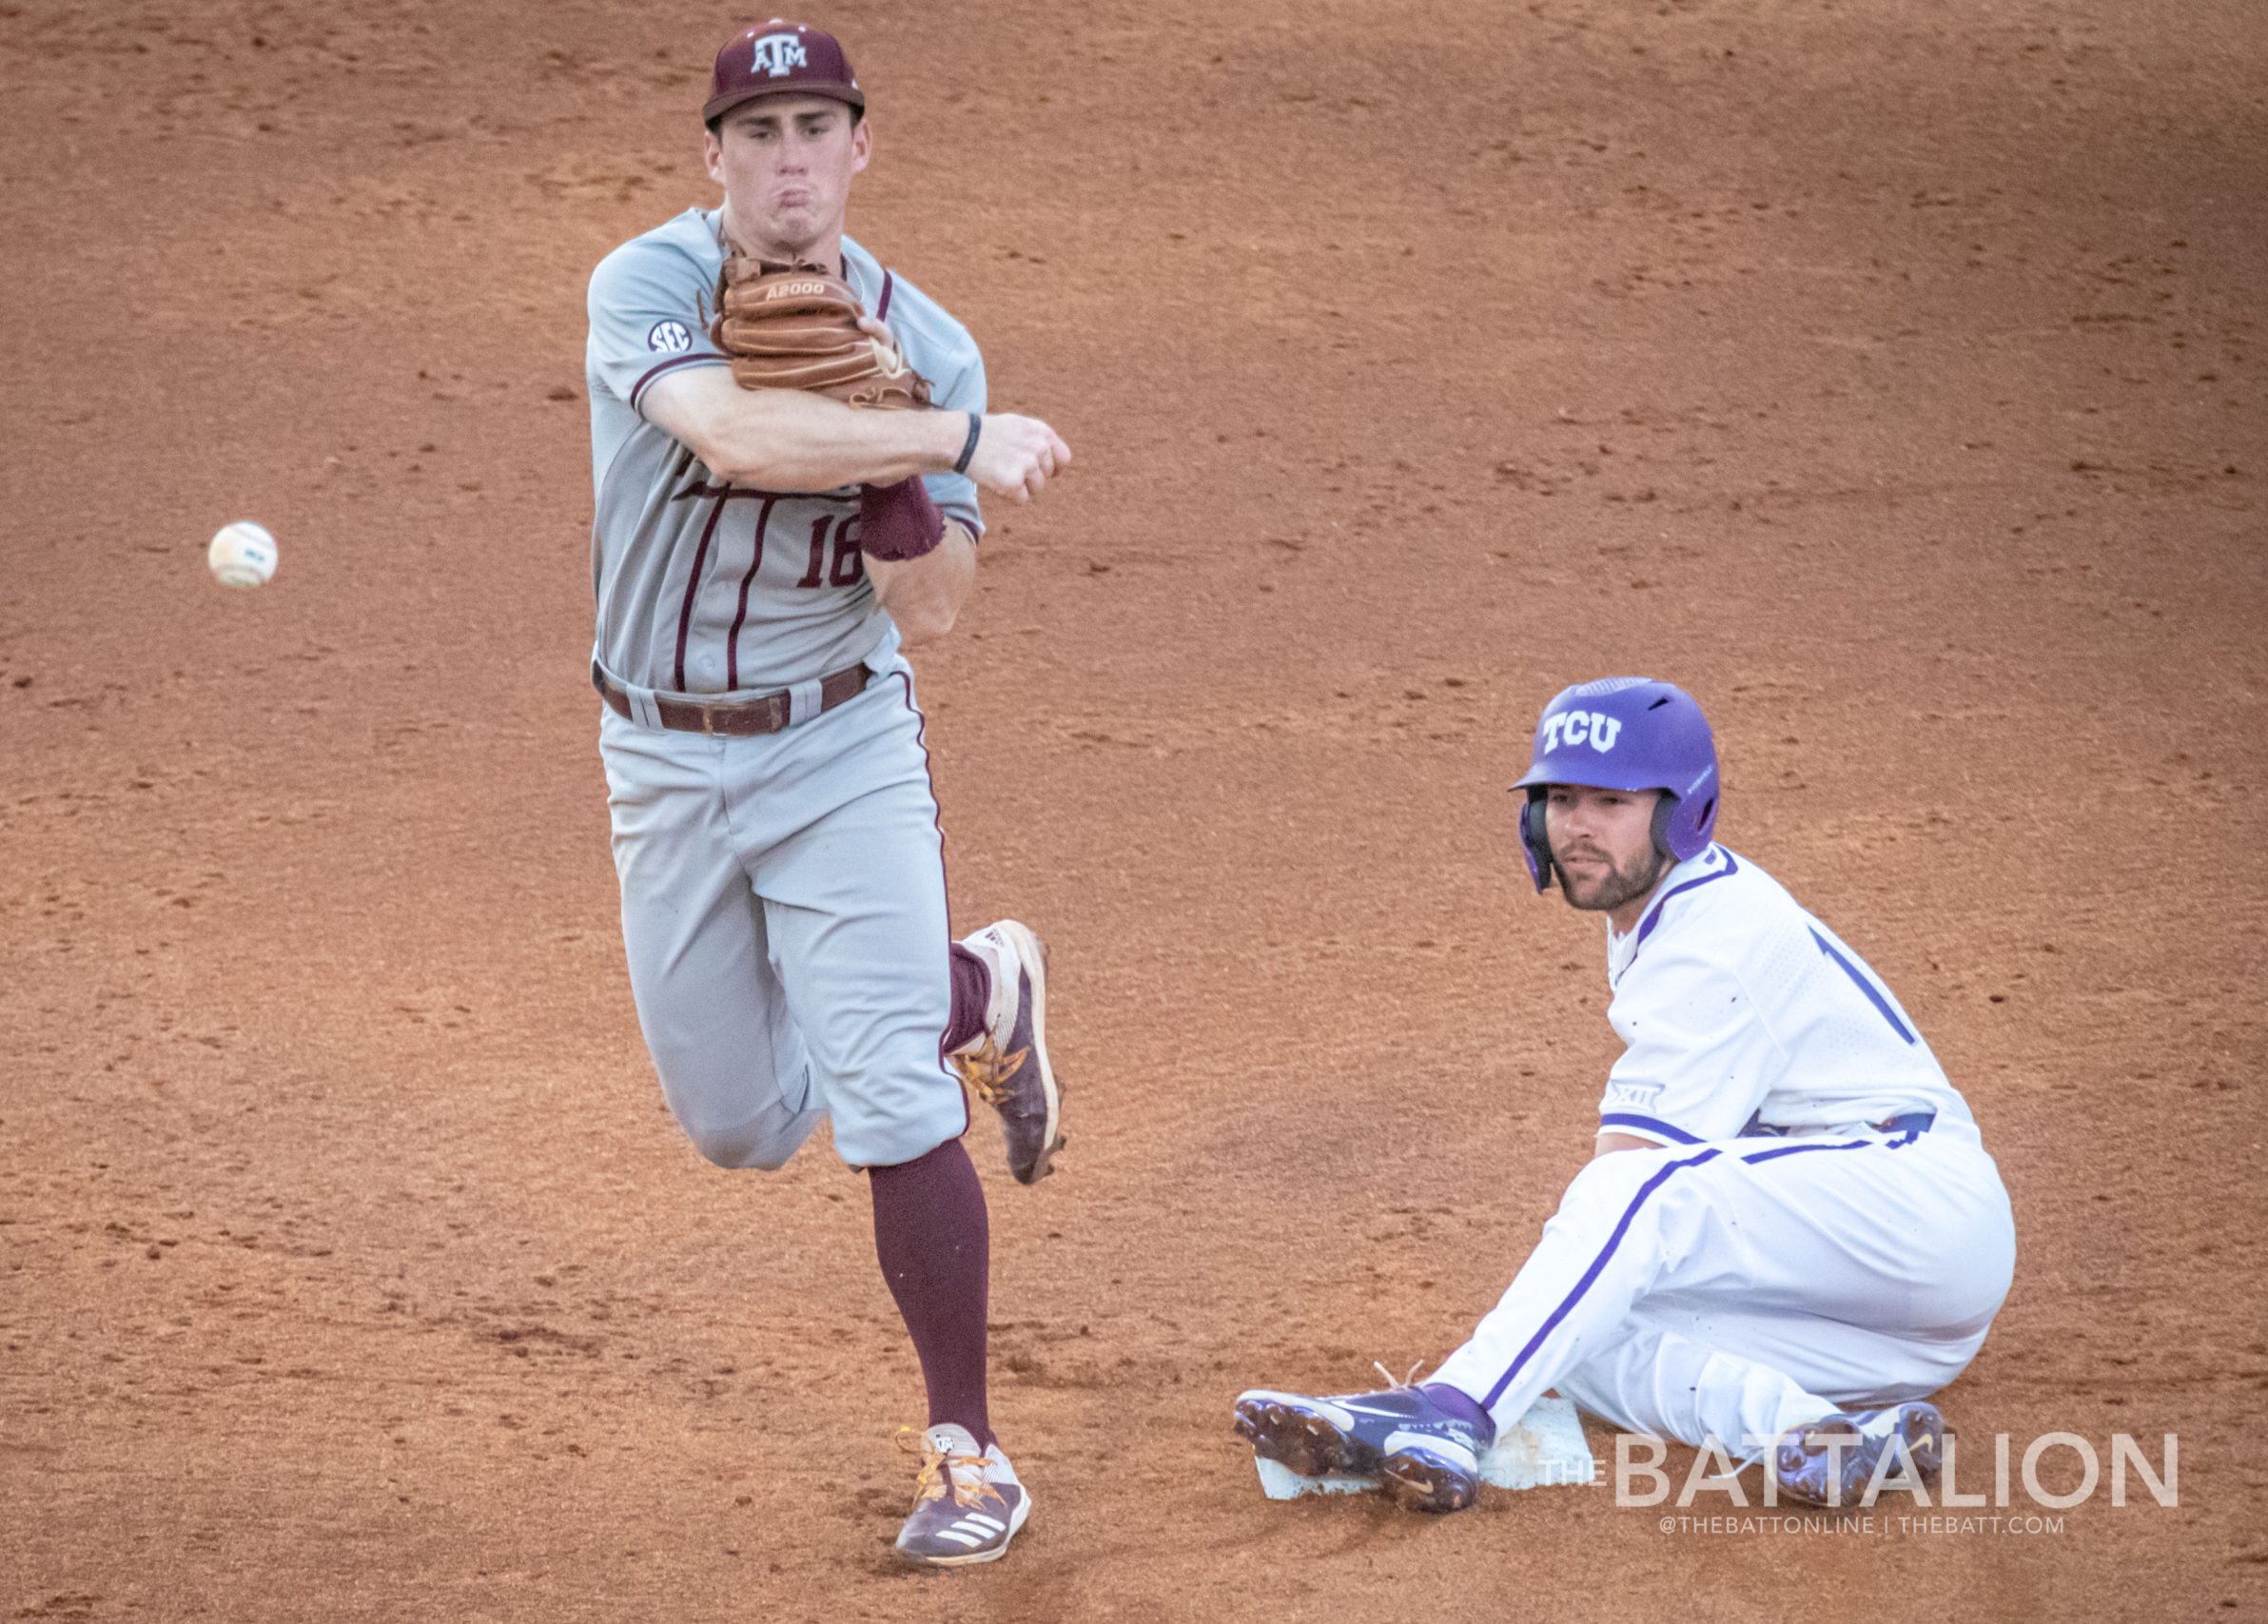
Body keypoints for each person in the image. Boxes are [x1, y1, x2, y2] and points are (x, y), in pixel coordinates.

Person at [582, 18, 1073, 1566]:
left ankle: (969, 1455)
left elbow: (933, 621)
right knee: (736, 1124)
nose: (789, 163)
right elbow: (725, 424)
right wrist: (934, 436)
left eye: (816, 130)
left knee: (881, 1090)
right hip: (657, 749)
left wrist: (885, 472)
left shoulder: (932, 334)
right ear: (711, 155)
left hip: (839, 745)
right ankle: (972, 982)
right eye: (759, 133)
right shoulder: (646, 287)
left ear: (864, 147)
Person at [1234, 677, 2017, 1512]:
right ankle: (1814, 1434)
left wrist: (1513, 1326)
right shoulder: (1664, 911)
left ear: (1684, 811)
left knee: (1626, 1200)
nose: (1577, 825)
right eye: (1559, 798)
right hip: (1885, 1325)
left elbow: (1634, 1179)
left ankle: (1451, 1413)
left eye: (1611, 799)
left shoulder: (1719, 936)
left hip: (1917, 1209)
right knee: (1582, 1338)